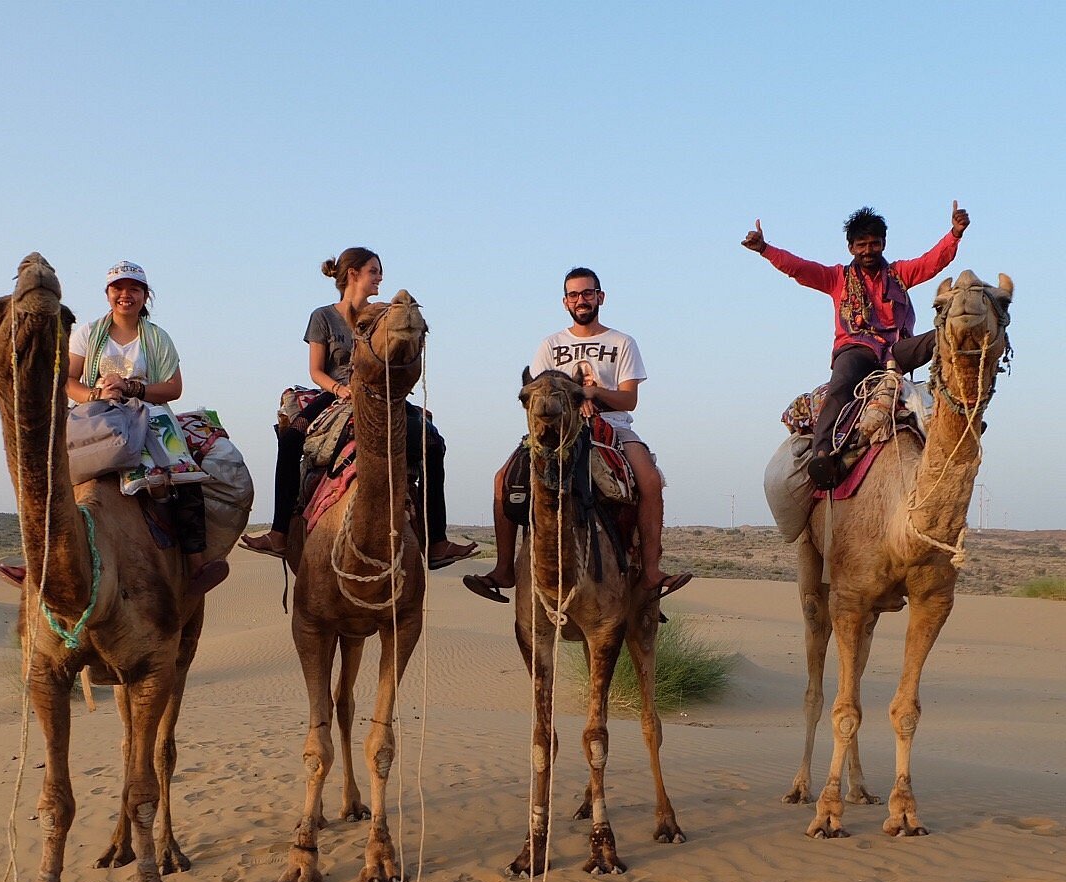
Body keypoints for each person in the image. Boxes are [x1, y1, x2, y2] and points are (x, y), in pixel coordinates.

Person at [0, 261, 228, 597]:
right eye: (118, 288)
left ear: (145, 296)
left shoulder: (157, 338)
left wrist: (132, 389)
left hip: (147, 413)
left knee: (183, 474)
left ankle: (196, 564)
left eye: (134, 288)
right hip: (96, 413)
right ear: (108, 294)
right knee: (49, 478)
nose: (125, 295)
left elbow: (173, 388)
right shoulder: (88, 333)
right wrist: (96, 394)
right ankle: (40, 564)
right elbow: (67, 381)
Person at [464, 267, 691, 603]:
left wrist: (592, 394)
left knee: (649, 480)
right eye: (574, 295)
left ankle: (651, 572)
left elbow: (629, 399)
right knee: (502, 479)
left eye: (587, 293)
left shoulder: (622, 342)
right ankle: (503, 569)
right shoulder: (551, 344)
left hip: (612, 426)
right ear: (564, 301)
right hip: (556, 431)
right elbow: (539, 394)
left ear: (600, 297)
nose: (581, 300)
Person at [240, 248, 477, 568]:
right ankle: (280, 533)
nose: (380, 277)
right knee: (291, 436)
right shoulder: (323, 316)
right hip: (336, 394)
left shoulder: (383, 315)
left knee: (433, 444)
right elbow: (316, 370)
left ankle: (436, 540)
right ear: (353, 275)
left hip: (384, 394)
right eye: (374, 271)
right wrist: (341, 390)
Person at [742, 203, 969, 488]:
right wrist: (765, 249)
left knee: (946, 332)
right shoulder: (836, 278)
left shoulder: (899, 275)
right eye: (861, 245)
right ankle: (822, 454)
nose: (868, 250)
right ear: (850, 247)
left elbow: (932, 261)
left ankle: (962, 413)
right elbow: (799, 268)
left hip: (897, 351)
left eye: (874, 244)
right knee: (840, 385)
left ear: (884, 244)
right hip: (856, 350)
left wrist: (955, 234)